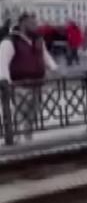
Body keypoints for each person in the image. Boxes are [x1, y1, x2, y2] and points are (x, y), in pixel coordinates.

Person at [0, 13, 58, 141]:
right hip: (19, 85)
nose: (36, 26)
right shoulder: (10, 41)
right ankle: (16, 139)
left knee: (32, 115)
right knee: (20, 114)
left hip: (37, 84)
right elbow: (2, 63)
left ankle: (27, 138)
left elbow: (45, 56)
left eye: (35, 23)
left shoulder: (37, 40)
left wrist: (54, 68)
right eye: (32, 23)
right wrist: (6, 83)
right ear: (22, 23)